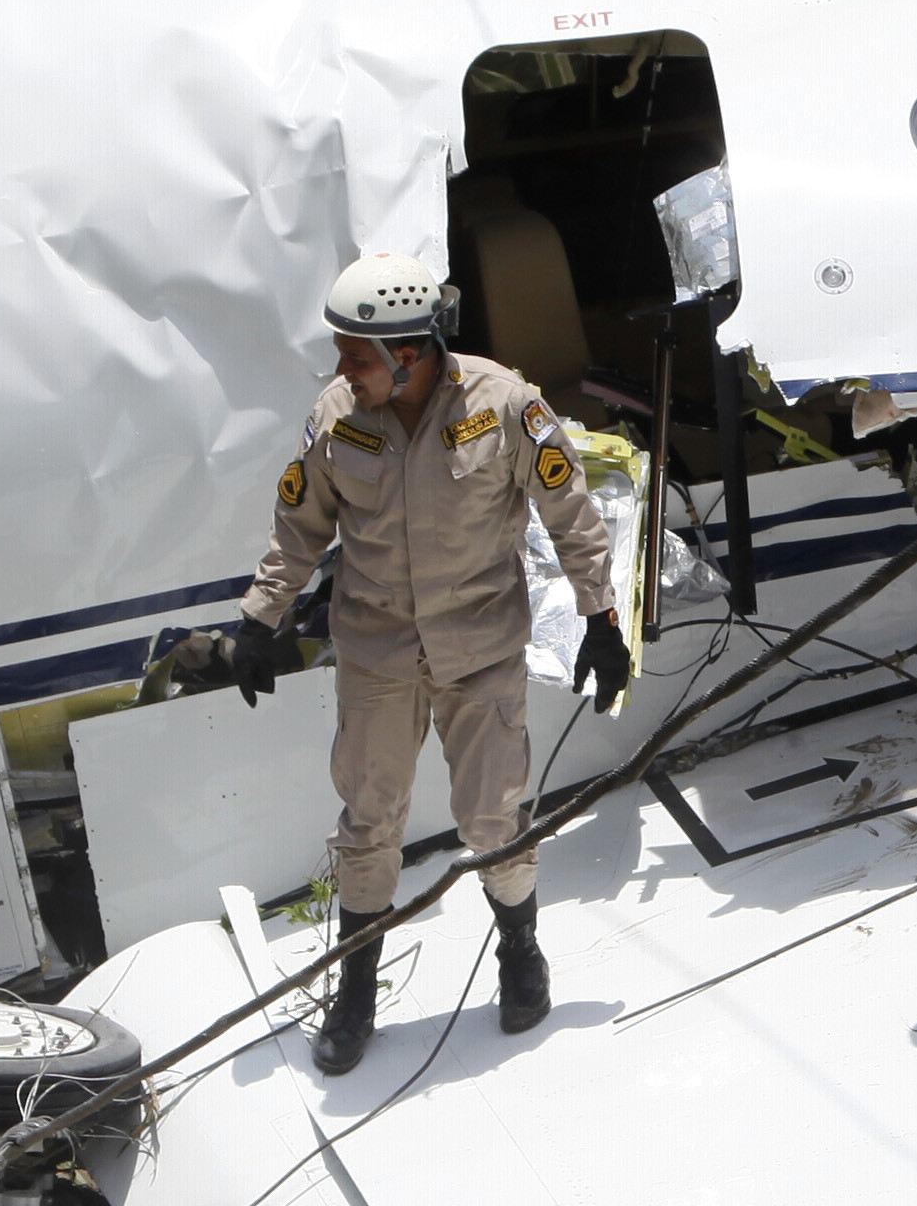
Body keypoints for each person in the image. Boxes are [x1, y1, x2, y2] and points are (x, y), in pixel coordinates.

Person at [222, 250, 633, 1072]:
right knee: (368, 824)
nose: (343, 368)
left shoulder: (506, 406)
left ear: (410, 351)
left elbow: (572, 511)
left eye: (358, 354)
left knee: (493, 816)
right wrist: (261, 620)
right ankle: (357, 991)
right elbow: (299, 523)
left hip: (480, 651)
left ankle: (521, 951)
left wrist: (602, 617)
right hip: (377, 655)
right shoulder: (337, 415)